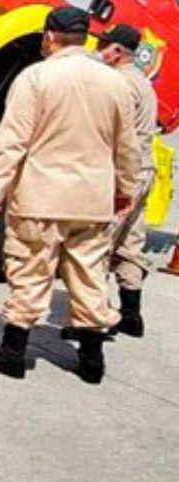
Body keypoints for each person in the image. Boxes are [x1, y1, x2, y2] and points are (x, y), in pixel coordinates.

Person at [0, 6, 140, 384]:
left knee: (30, 271)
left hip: (40, 197)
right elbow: (127, 148)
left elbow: (13, 138)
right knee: (89, 275)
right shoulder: (116, 83)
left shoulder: (36, 78)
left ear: (49, 36)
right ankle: (92, 361)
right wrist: (124, 190)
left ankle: (13, 354)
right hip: (93, 200)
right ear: (86, 38)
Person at [95, 23, 158, 338]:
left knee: (98, 245)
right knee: (131, 243)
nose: (99, 51)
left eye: (103, 46)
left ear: (117, 51)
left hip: (123, 173)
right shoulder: (143, 82)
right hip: (145, 170)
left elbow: (108, 132)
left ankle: (96, 321)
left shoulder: (120, 83)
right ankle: (131, 315)